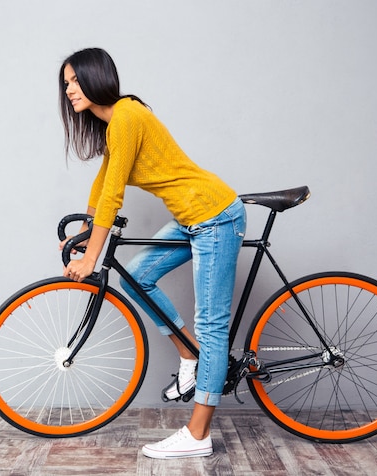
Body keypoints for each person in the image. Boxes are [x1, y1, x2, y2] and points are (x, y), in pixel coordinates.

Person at [58, 47, 246, 459]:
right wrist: (86, 230)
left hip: (214, 215)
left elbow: (114, 193)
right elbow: (103, 183)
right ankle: (190, 356)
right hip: (190, 216)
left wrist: (92, 255)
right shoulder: (116, 123)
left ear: (96, 77)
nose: (69, 89)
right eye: (66, 82)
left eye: (75, 80)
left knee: (212, 324)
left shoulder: (126, 115)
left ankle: (198, 435)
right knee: (138, 276)